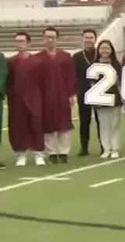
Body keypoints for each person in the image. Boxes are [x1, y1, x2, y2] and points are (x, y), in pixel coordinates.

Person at [39, 26, 77, 164]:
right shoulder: (38, 58)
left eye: (53, 37)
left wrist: (72, 93)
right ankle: (52, 152)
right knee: (48, 125)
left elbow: (71, 76)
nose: (50, 40)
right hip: (45, 96)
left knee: (64, 124)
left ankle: (64, 151)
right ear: (43, 39)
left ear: (57, 39)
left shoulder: (65, 56)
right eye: (47, 37)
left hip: (63, 94)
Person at [7, 32, 45, 166]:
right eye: (17, 41)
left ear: (28, 43)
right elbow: (9, 81)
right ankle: (20, 154)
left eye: (22, 41)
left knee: (36, 125)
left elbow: (42, 82)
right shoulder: (11, 62)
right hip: (16, 100)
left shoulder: (37, 62)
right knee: (18, 126)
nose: (19, 44)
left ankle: (38, 154)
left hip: (34, 98)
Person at [88, 40, 122, 159]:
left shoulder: (116, 64)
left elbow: (120, 82)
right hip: (100, 99)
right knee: (103, 125)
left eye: (107, 48)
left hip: (115, 98)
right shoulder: (94, 65)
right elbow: (92, 83)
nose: (104, 51)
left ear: (111, 50)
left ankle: (115, 148)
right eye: (102, 48)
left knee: (115, 124)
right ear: (98, 50)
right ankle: (106, 148)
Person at [73, 28, 100, 156]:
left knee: (101, 120)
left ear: (95, 39)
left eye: (91, 37)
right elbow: (74, 75)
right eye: (86, 37)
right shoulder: (77, 56)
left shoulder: (100, 54)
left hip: (100, 92)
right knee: (84, 121)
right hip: (83, 92)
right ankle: (84, 147)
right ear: (83, 39)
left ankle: (103, 145)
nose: (88, 40)